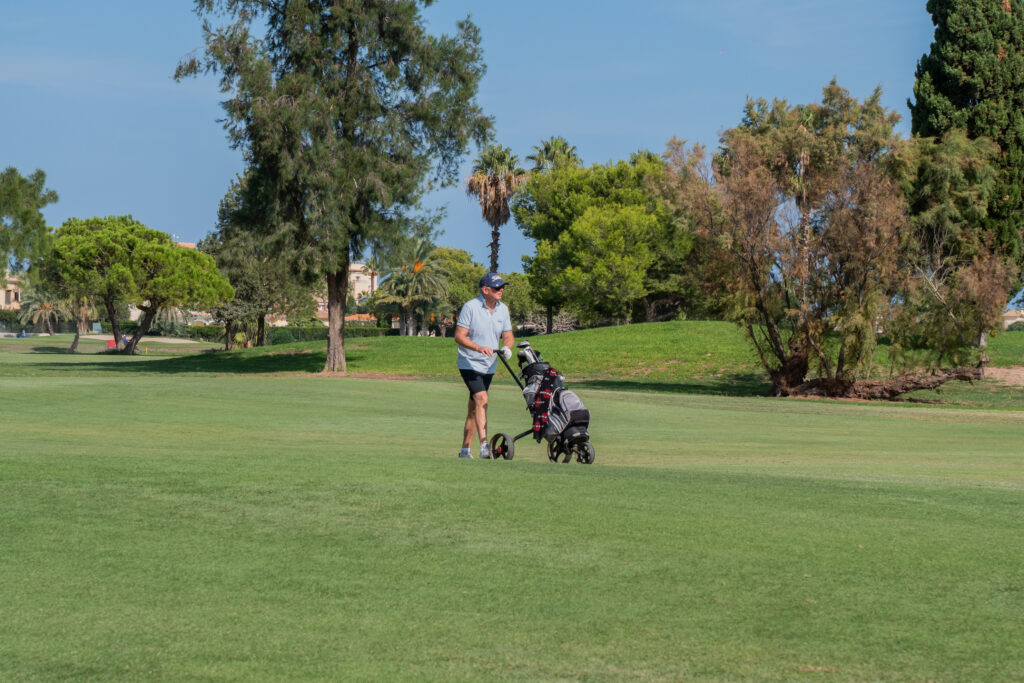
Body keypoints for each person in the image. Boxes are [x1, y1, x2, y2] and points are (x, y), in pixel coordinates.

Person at [454, 272, 515, 458]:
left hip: (490, 365)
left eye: (502, 287)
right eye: (497, 288)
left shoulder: (503, 309)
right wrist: (479, 348)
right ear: (485, 290)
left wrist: (507, 347)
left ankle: (465, 450)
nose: (501, 290)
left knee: (474, 408)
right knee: (482, 399)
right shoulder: (470, 307)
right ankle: (484, 446)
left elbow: (508, 335)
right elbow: (459, 336)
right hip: (469, 363)